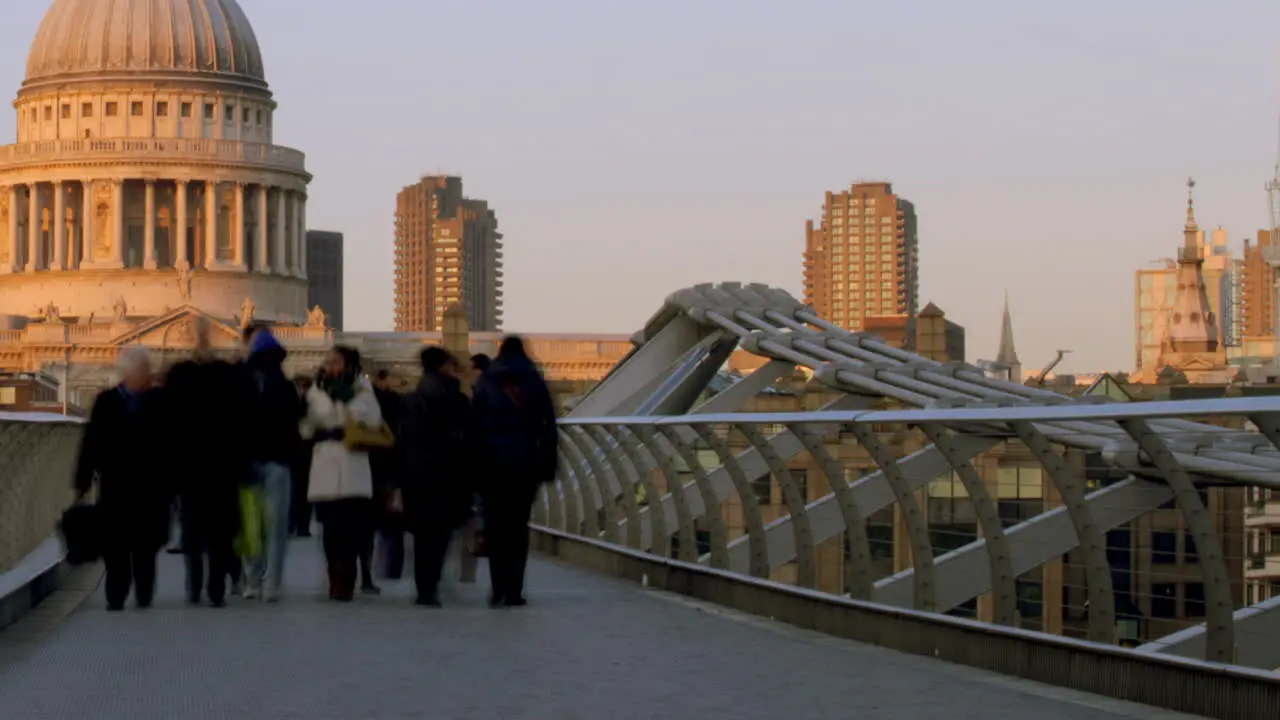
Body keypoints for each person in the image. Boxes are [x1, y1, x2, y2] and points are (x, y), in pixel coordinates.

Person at [164, 317, 254, 607]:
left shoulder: (180, 376)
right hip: (220, 466)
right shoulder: (226, 376)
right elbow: (243, 420)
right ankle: (213, 587)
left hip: (194, 466)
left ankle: (198, 583)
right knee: (217, 531)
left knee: (198, 528)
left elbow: (170, 423)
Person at [73, 346, 170, 611]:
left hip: (150, 489)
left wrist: (173, 485)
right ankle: (115, 595)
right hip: (116, 487)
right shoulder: (107, 402)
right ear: (128, 373)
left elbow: (172, 445)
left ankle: (143, 593)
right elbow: (90, 443)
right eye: (142, 370)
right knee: (115, 546)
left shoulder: (160, 401)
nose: (146, 374)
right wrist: (82, 481)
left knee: (145, 547)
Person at [471, 337, 558, 607]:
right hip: (525, 464)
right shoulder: (533, 381)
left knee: (495, 526)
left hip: (492, 465)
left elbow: (474, 426)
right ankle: (514, 591)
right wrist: (548, 463)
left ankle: (497, 588)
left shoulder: (486, 382)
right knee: (518, 528)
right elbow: (548, 426)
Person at [301, 346, 384, 602]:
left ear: (348, 364)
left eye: (335, 361)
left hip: (352, 462)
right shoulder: (316, 390)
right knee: (329, 528)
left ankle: (347, 577)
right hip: (325, 461)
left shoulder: (362, 389)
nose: (329, 366)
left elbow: (374, 420)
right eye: (327, 362)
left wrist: (346, 407)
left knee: (351, 528)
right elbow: (309, 424)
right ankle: (333, 575)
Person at [400, 347, 471, 606]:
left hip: (416, 474)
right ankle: (433, 584)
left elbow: (403, 440)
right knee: (441, 533)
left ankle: (423, 588)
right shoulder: (457, 399)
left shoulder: (412, 400)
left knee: (422, 534)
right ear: (443, 367)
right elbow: (467, 440)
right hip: (448, 474)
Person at [242, 327, 301, 601]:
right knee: (276, 527)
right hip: (278, 461)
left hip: (250, 462)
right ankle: (271, 583)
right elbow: (295, 425)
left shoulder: (244, 385)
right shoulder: (286, 387)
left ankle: (253, 579)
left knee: (251, 525)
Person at [369, 369, 405, 581]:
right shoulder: (396, 403)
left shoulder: (369, 403)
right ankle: (391, 569)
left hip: (374, 465)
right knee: (392, 522)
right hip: (391, 466)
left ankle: (371, 569)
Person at [289, 375, 315, 537]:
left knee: (304, 491)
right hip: (295, 451)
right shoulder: (291, 402)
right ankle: (294, 524)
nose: (302, 390)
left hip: (306, 451)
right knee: (296, 491)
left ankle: (301, 525)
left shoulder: (310, 403)